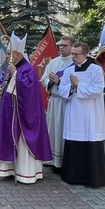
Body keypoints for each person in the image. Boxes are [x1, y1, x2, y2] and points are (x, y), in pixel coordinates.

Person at [0, 33, 52, 183]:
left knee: (21, 141)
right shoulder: (10, 68)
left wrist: (15, 74)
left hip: (22, 114)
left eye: (9, 54)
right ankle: (9, 169)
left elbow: (27, 88)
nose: (7, 57)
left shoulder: (27, 69)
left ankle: (25, 173)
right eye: (7, 54)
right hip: (9, 111)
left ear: (18, 54)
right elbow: (3, 82)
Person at [57, 42, 105, 188]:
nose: (73, 57)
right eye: (72, 54)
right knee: (74, 143)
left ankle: (93, 177)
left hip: (90, 113)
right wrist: (71, 86)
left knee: (90, 143)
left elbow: (97, 90)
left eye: (76, 54)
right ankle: (73, 176)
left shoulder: (96, 70)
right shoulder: (68, 71)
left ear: (85, 55)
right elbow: (62, 90)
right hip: (74, 112)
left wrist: (79, 84)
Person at [40, 35, 74, 169]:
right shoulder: (53, 62)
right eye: (60, 45)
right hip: (54, 100)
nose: (61, 47)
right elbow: (43, 79)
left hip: (68, 102)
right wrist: (49, 81)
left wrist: (59, 82)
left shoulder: (75, 62)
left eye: (65, 45)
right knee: (54, 130)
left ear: (72, 47)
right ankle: (54, 161)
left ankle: (66, 160)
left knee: (65, 131)